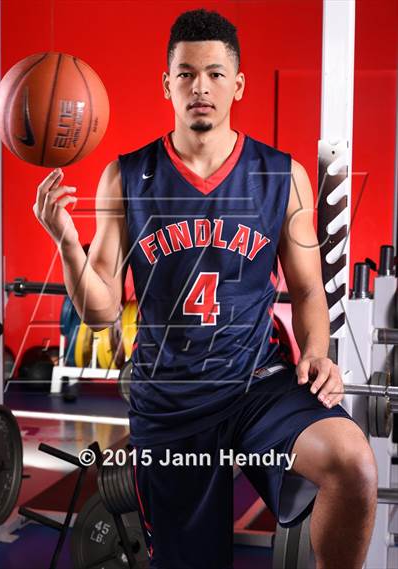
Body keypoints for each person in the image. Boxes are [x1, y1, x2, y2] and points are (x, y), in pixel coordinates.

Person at [34, 8, 377, 569]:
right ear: (166, 83)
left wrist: (317, 353)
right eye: (187, 73)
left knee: (354, 464)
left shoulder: (282, 176)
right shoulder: (126, 176)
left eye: (216, 74)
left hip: (257, 387)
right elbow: (98, 312)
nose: (201, 87)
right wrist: (67, 241)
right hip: (171, 404)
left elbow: (309, 290)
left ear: (237, 85)